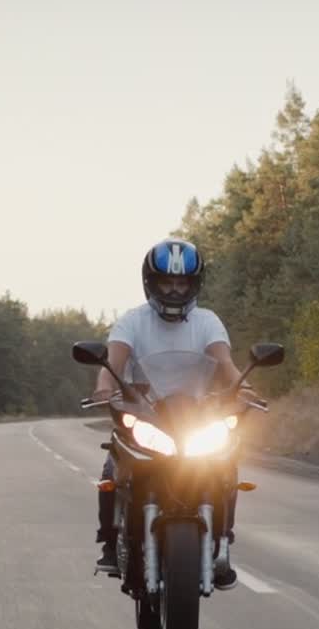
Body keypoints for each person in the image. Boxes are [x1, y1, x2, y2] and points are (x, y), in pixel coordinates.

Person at [92, 238, 249, 589]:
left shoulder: (207, 321)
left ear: (194, 285)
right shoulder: (133, 321)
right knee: (113, 464)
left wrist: (244, 389)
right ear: (152, 282)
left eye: (182, 283)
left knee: (226, 463)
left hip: (195, 415)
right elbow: (113, 362)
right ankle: (108, 542)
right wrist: (105, 385)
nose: (175, 291)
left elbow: (224, 363)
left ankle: (223, 543)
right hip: (145, 411)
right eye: (167, 282)